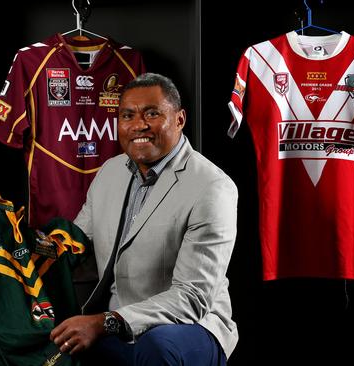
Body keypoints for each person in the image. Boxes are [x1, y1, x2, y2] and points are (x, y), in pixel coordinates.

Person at [49, 73, 239, 365]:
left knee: (157, 346)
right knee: (44, 338)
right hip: (114, 321)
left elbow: (191, 298)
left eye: (152, 113)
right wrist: (14, 253)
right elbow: (77, 247)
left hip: (191, 327)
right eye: (128, 115)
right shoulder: (110, 172)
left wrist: (104, 322)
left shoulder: (212, 187)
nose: (139, 125)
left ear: (179, 119)